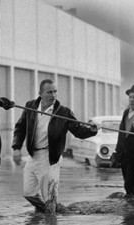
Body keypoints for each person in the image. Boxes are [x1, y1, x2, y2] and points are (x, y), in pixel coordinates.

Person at [12, 79, 98, 213]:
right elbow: (20, 128)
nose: (53, 95)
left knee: (49, 198)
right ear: (40, 93)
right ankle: (55, 212)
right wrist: (16, 148)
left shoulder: (63, 112)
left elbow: (78, 130)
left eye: (55, 91)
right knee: (28, 193)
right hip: (33, 155)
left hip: (50, 158)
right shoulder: (30, 107)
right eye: (49, 92)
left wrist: (92, 130)